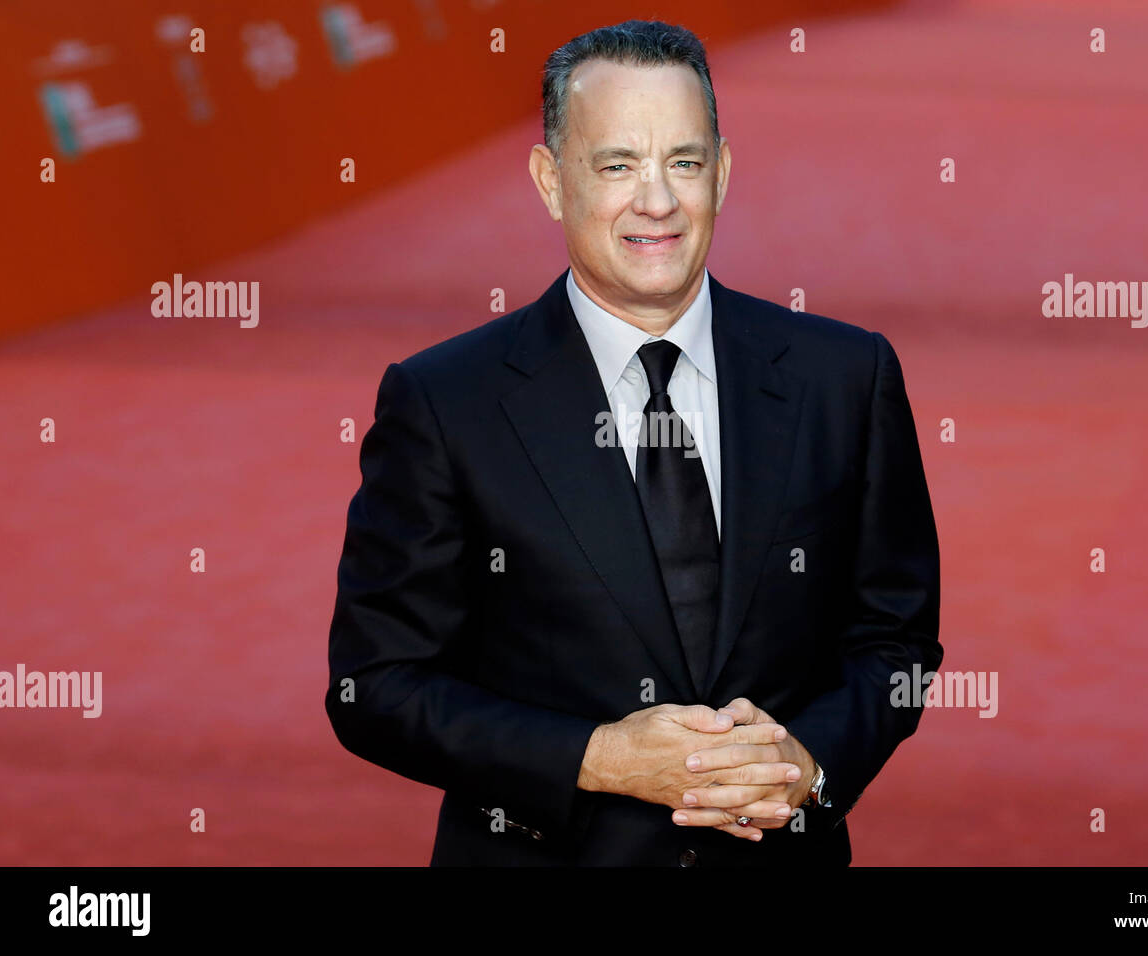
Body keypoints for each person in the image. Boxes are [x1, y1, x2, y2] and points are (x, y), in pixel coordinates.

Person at [325, 18, 942, 867]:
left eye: (684, 163)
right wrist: (598, 758)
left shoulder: (844, 378)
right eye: (617, 166)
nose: (656, 200)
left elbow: (896, 640)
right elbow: (375, 687)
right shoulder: (445, 402)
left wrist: (813, 763)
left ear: (721, 176)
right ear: (551, 180)